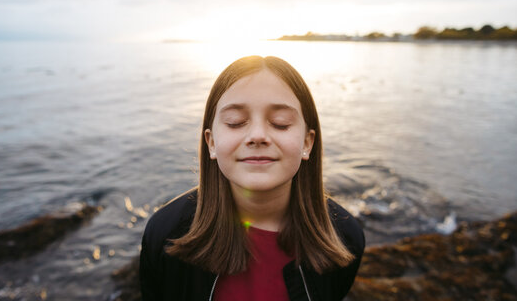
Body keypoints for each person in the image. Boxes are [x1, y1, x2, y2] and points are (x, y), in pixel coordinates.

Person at [140, 56, 365, 300]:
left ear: (308, 143)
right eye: (235, 122)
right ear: (212, 142)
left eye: (280, 123)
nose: (257, 136)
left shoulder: (346, 238)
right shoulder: (165, 234)